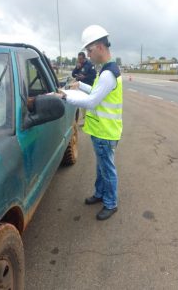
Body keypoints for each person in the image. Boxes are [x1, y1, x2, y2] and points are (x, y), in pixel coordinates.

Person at [60, 25, 123, 220]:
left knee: (107, 169)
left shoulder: (107, 74)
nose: (87, 54)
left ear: (100, 47)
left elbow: (91, 101)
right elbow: (96, 93)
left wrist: (65, 96)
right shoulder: (106, 70)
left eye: (89, 49)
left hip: (105, 132)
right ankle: (100, 194)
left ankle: (111, 203)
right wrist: (81, 85)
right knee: (101, 167)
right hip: (102, 130)